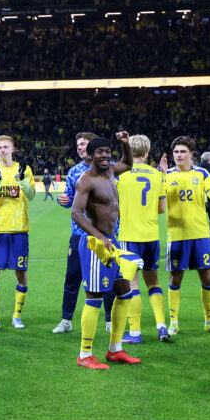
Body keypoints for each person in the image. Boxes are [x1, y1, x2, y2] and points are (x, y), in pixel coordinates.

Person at [71, 135, 142, 369]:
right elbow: (76, 213)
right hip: (96, 245)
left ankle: (115, 349)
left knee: (124, 292)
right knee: (94, 297)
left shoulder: (111, 171)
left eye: (107, 151)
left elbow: (129, 164)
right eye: (99, 152)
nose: (104, 155)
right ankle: (85, 354)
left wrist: (124, 144)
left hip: (113, 242)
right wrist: (99, 237)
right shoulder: (86, 180)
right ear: (90, 155)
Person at [165, 136, 210, 335]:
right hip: (176, 235)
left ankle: (209, 321)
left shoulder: (201, 174)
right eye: (176, 152)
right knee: (176, 278)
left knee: (207, 277)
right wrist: (163, 176)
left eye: (183, 152)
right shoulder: (167, 175)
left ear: (191, 154)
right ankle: (173, 321)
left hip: (200, 234)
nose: (179, 155)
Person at [53, 132, 114, 334]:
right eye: (77, 144)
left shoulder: (110, 170)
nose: (79, 148)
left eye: (83, 144)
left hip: (106, 235)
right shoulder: (74, 172)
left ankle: (109, 319)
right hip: (80, 234)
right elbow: (72, 202)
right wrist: (65, 201)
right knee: (72, 277)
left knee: (109, 278)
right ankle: (66, 320)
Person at [114, 134, 171, 343]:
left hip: (130, 236)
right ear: (147, 152)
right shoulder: (157, 175)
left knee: (132, 284)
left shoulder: (120, 175)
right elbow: (161, 208)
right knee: (153, 282)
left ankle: (135, 332)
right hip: (151, 236)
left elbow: (115, 210)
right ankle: (161, 326)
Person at [0, 135, 35, 330]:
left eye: (6, 147)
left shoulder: (24, 169)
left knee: (20, 272)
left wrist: (22, 180)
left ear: (13, 149)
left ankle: (17, 316)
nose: (2, 150)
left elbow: (30, 195)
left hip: (19, 229)